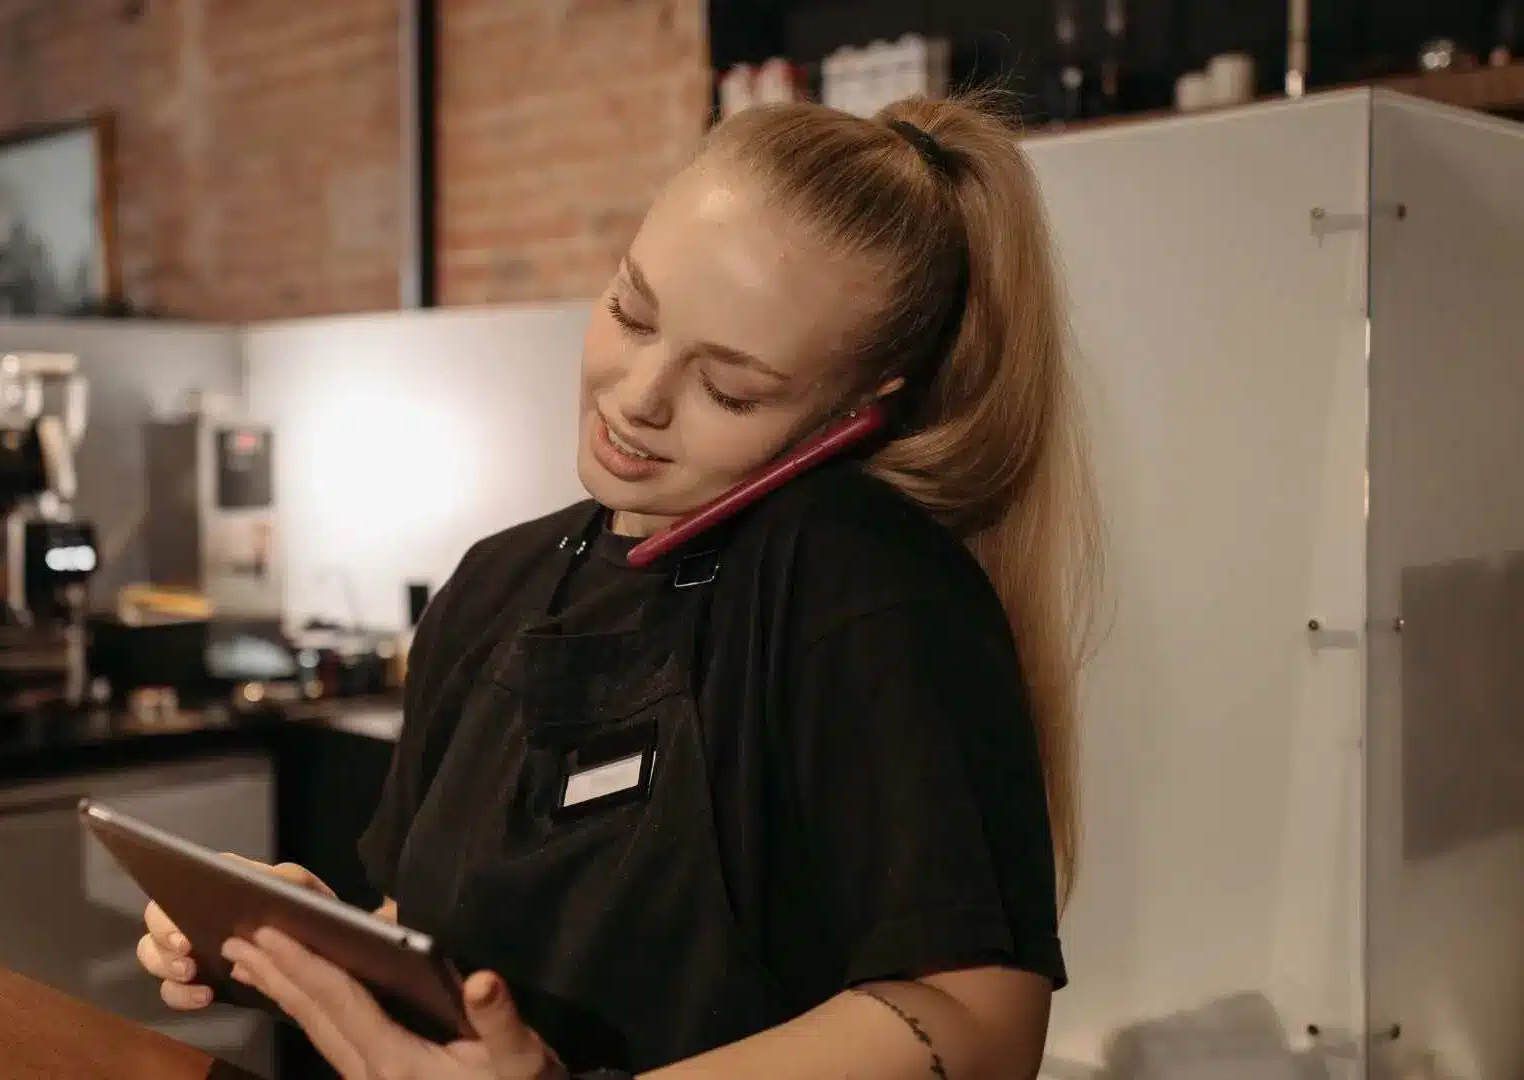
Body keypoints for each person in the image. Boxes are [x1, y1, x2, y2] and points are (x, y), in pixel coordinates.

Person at [137, 92, 1101, 1080]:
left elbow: (982, 1023)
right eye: (630, 312)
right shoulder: (496, 582)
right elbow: (437, 945)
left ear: (856, 413)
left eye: (730, 389)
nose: (636, 398)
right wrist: (310, 950)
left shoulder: (861, 584)